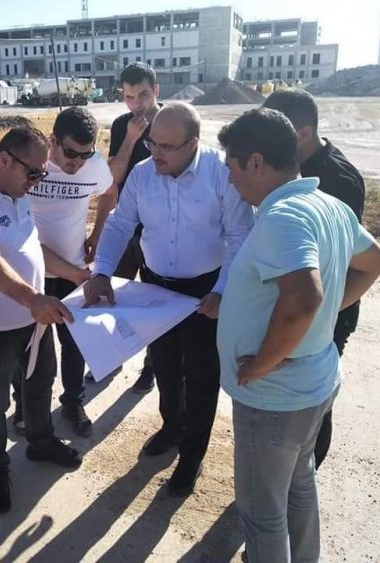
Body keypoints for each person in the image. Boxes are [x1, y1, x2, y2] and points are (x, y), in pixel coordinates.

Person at [216, 108, 380, 563]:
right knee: (298, 485)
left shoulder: (284, 216)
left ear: (256, 163)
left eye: (232, 167)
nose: (230, 180)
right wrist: (323, 315)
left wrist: (263, 363)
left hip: (276, 397)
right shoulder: (328, 205)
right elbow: (375, 262)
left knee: (262, 513)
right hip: (312, 383)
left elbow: (304, 297)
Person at [84, 102, 254, 497]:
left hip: (206, 290)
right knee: (164, 364)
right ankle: (171, 427)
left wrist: (222, 291)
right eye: (152, 143)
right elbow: (121, 223)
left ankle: (192, 455)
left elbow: (239, 236)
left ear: (192, 143)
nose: (155, 153)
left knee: (201, 374)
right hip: (156, 287)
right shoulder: (143, 175)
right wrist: (102, 271)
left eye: (166, 146)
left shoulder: (221, 173)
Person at [0, 125, 85, 515]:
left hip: (33, 320)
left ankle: (41, 442)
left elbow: (32, 246)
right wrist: (34, 299)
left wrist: (76, 274)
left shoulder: (17, 194)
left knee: (40, 382)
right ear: (5, 160)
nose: (38, 180)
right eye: (34, 172)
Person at [263, 88, 366, 469]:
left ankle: (302, 476)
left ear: (303, 133)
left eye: (277, 133)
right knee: (285, 398)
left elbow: (354, 259)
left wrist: (324, 313)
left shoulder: (339, 180)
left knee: (314, 402)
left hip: (328, 311)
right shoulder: (286, 165)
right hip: (294, 304)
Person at [24, 106, 116, 437]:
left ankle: (73, 402)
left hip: (73, 270)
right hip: (29, 271)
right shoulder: (31, 163)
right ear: (53, 140)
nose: (77, 163)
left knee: (74, 342)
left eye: (85, 154)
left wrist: (97, 233)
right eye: (70, 153)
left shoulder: (95, 166)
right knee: (28, 344)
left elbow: (110, 192)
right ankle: (23, 406)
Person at [107, 62, 161, 394]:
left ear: (156, 90)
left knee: (155, 297)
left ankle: (151, 367)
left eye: (142, 95)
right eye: (129, 97)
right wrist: (130, 138)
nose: (136, 104)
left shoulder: (172, 122)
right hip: (127, 225)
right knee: (117, 293)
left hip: (160, 228)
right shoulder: (120, 125)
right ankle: (113, 355)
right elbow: (114, 176)